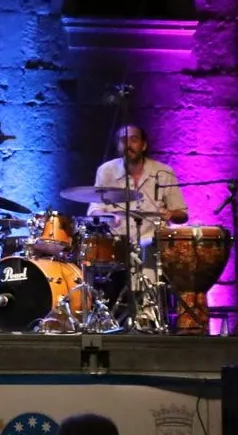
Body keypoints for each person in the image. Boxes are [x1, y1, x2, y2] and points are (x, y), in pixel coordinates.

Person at [86, 124, 188, 327]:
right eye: (123, 140)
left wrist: (170, 213)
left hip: (152, 241)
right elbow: (94, 209)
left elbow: (182, 214)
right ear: (117, 145)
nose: (128, 145)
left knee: (147, 247)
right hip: (117, 241)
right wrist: (106, 216)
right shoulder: (106, 171)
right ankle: (103, 317)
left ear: (143, 145)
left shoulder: (163, 172)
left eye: (134, 139)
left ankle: (147, 316)